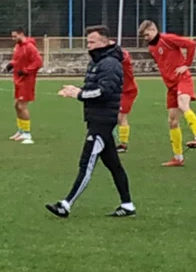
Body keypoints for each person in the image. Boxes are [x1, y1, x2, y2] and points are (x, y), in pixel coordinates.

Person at [47, 25, 135, 219]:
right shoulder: (98, 62)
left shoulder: (110, 64)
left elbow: (104, 92)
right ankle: (128, 205)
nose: (88, 45)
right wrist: (75, 90)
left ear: (105, 42)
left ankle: (66, 204)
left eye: (92, 41)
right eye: (88, 41)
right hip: (97, 119)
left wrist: (79, 94)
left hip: (102, 121)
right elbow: (93, 88)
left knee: (86, 163)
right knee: (114, 165)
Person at [138, 20, 196, 167]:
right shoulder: (151, 48)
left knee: (183, 104)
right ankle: (178, 157)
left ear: (154, 29)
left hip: (182, 79)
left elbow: (191, 44)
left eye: (147, 34)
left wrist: (186, 65)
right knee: (172, 122)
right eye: (143, 36)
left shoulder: (167, 39)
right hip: (171, 86)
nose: (146, 38)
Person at [7, 28, 42, 145]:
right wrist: (11, 64)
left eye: (15, 36)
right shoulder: (18, 46)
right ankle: (21, 130)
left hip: (27, 81)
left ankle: (27, 133)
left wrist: (26, 71)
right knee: (16, 105)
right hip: (18, 80)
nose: (13, 39)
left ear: (21, 34)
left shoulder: (30, 47)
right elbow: (17, 59)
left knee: (22, 106)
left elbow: (38, 62)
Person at [116, 46, 139, 153]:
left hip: (128, 91)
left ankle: (123, 144)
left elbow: (125, 56)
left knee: (121, 117)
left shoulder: (125, 61)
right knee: (114, 117)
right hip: (118, 91)